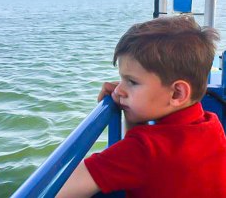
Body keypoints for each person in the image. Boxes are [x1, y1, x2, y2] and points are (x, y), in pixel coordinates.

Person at [56, 15, 226, 198]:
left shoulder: (142, 151)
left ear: (177, 93)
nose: (119, 90)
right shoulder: (212, 124)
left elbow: (53, 191)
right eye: (122, 78)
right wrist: (132, 111)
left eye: (132, 82)